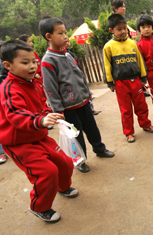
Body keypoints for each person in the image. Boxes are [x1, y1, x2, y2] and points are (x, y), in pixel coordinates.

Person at [0, 40, 78, 222]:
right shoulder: (8, 88)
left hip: (38, 135)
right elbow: (16, 114)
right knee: (46, 172)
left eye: (34, 61)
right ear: (8, 65)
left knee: (65, 162)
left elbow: (41, 105)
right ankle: (40, 207)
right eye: (25, 62)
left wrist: (49, 115)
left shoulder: (34, 83)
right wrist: (41, 120)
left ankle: (62, 187)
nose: (32, 66)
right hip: (18, 142)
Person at [39, 17, 115, 173]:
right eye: (60, 33)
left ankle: (99, 149)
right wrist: (58, 111)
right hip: (68, 108)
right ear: (49, 37)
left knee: (92, 128)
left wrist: (87, 93)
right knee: (76, 136)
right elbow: (50, 89)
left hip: (83, 103)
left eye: (65, 32)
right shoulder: (48, 61)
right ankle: (80, 160)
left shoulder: (67, 54)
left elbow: (79, 75)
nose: (66, 36)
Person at [103, 14, 153, 143]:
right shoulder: (108, 47)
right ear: (112, 30)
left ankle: (145, 124)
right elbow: (106, 66)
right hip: (121, 84)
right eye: (119, 29)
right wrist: (110, 82)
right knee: (126, 110)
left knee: (141, 105)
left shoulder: (133, 43)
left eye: (124, 28)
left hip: (135, 81)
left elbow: (140, 61)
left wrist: (143, 77)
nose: (123, 31)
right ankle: (129, 132)